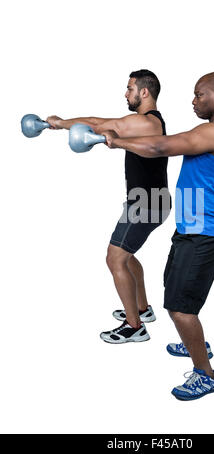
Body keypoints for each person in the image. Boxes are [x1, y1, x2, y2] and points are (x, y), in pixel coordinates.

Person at [102, 71, 214, 401]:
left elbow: (161, 146)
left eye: (199, 95)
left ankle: (206, 374)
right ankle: (195, 340)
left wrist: (116, 140)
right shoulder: (211, 130)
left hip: (207, 233)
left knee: (180, 308)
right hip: (191, 228)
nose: (193, 101)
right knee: (177, 294)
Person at [46, 69, 171, 344]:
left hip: (147, 202)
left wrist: (60, 122)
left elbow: (97, 122)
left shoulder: (148, 123)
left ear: (144, 92)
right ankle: (141, 309)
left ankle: (134, 326)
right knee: (127, 255)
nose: (126, 94)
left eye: (129, 89)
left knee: (114, 258)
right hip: (147, 200)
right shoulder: (147, 122)